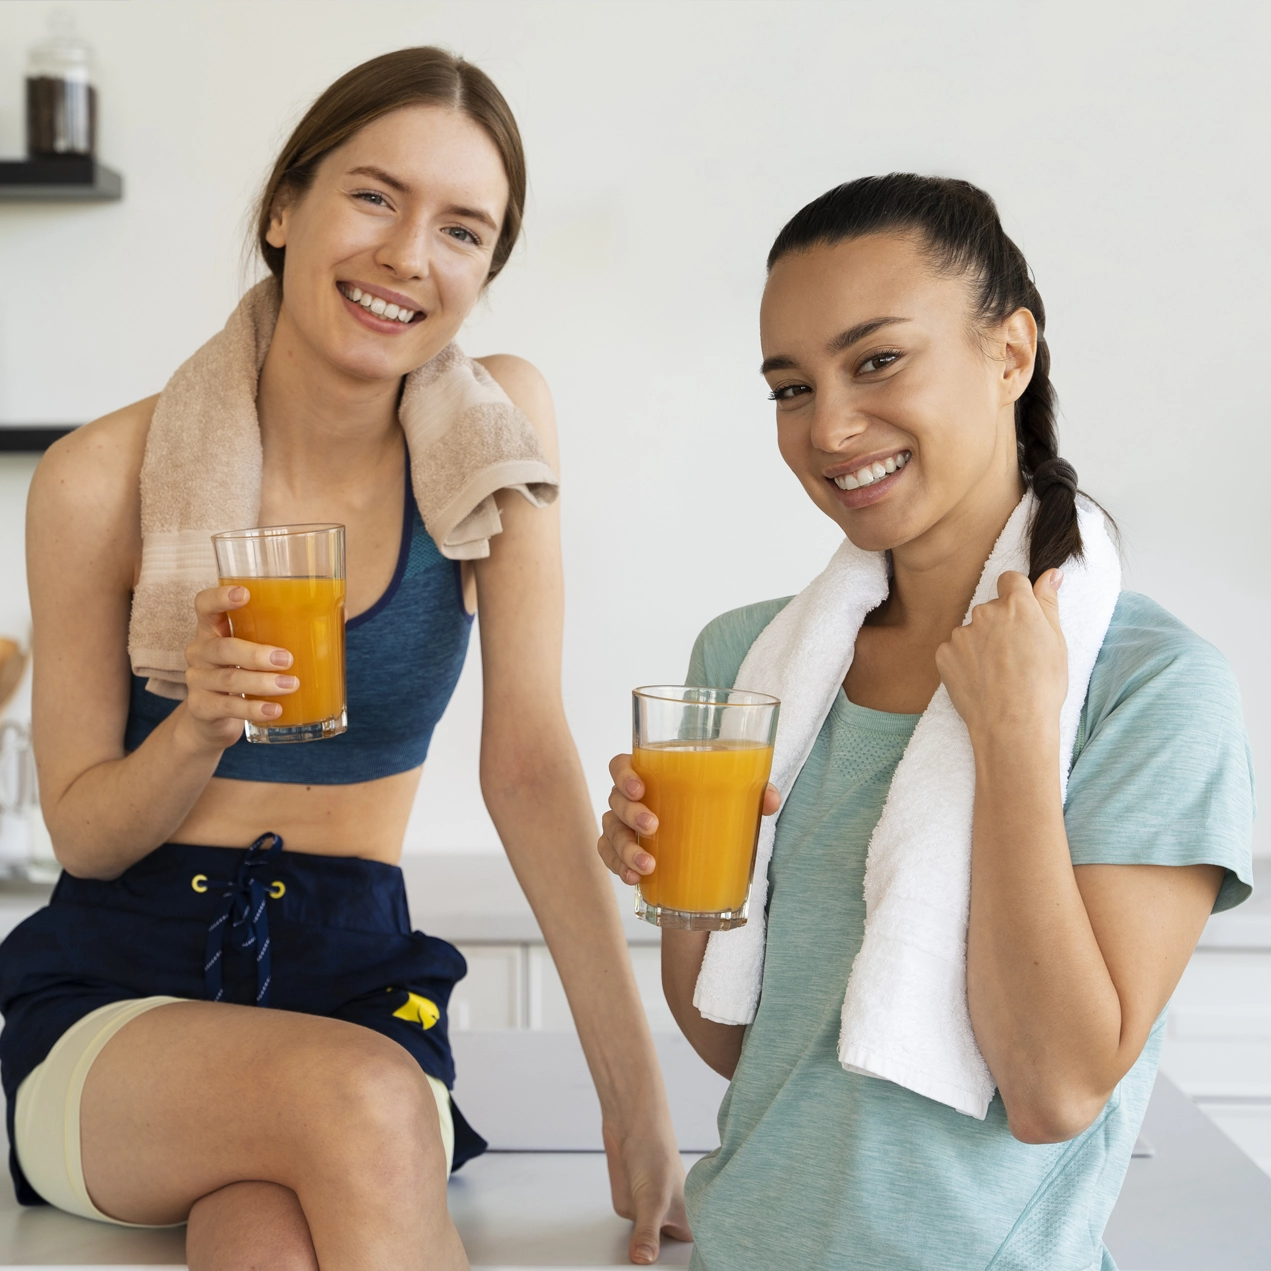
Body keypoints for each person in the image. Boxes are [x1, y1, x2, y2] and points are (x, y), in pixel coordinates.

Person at [0, 47, 687, 1271]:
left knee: (265, 1238)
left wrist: (636, 1101)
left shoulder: (492, 434)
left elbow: (528, 764)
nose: (409, 255)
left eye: (462, 230)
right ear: (284, 208)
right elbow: (85, 835)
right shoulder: (96, 479)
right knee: (358, 1097)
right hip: (118, 997)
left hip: (356, 981)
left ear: (485, 270)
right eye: (374, 196)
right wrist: (195, 726)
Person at [598, 174, 1255, 1270]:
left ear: (1009, 354)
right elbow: (733, 1040)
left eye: (876, 361)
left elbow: (1053, 1089)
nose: (828, 427)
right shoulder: (748, 665)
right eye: (790, 387)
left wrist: (1012, 736)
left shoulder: (1149, 688)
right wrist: (675, 885)